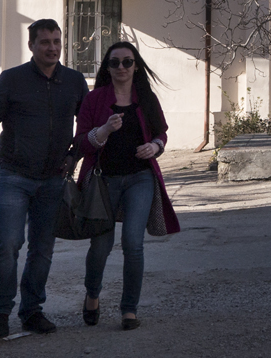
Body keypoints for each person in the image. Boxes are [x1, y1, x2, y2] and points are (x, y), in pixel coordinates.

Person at [0, 19, 88, 338]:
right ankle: (1, 312)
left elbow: (86, 128)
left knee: (42, 249)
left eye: (57, 41)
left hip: (53, 179)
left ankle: (32, 311)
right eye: (45, 42)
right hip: (14, 174)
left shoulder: (74, 81)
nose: (52, 47)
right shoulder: (12, 79)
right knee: (8, 243)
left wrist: (73, 157)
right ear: (31, 45)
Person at [76, 41, 180, 331]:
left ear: (136, 66)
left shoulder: (146, 98)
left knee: (133, 244)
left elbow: (161, 134)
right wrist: (105, 130)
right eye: (115, 62)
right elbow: (82, 141)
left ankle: (129, 309)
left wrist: (154, 146)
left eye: (127, 62)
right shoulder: (95, 99)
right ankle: (92, 295)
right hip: (103, 180)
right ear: (107, 68)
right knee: (101, 245)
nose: (121, 67)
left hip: (140, 178)